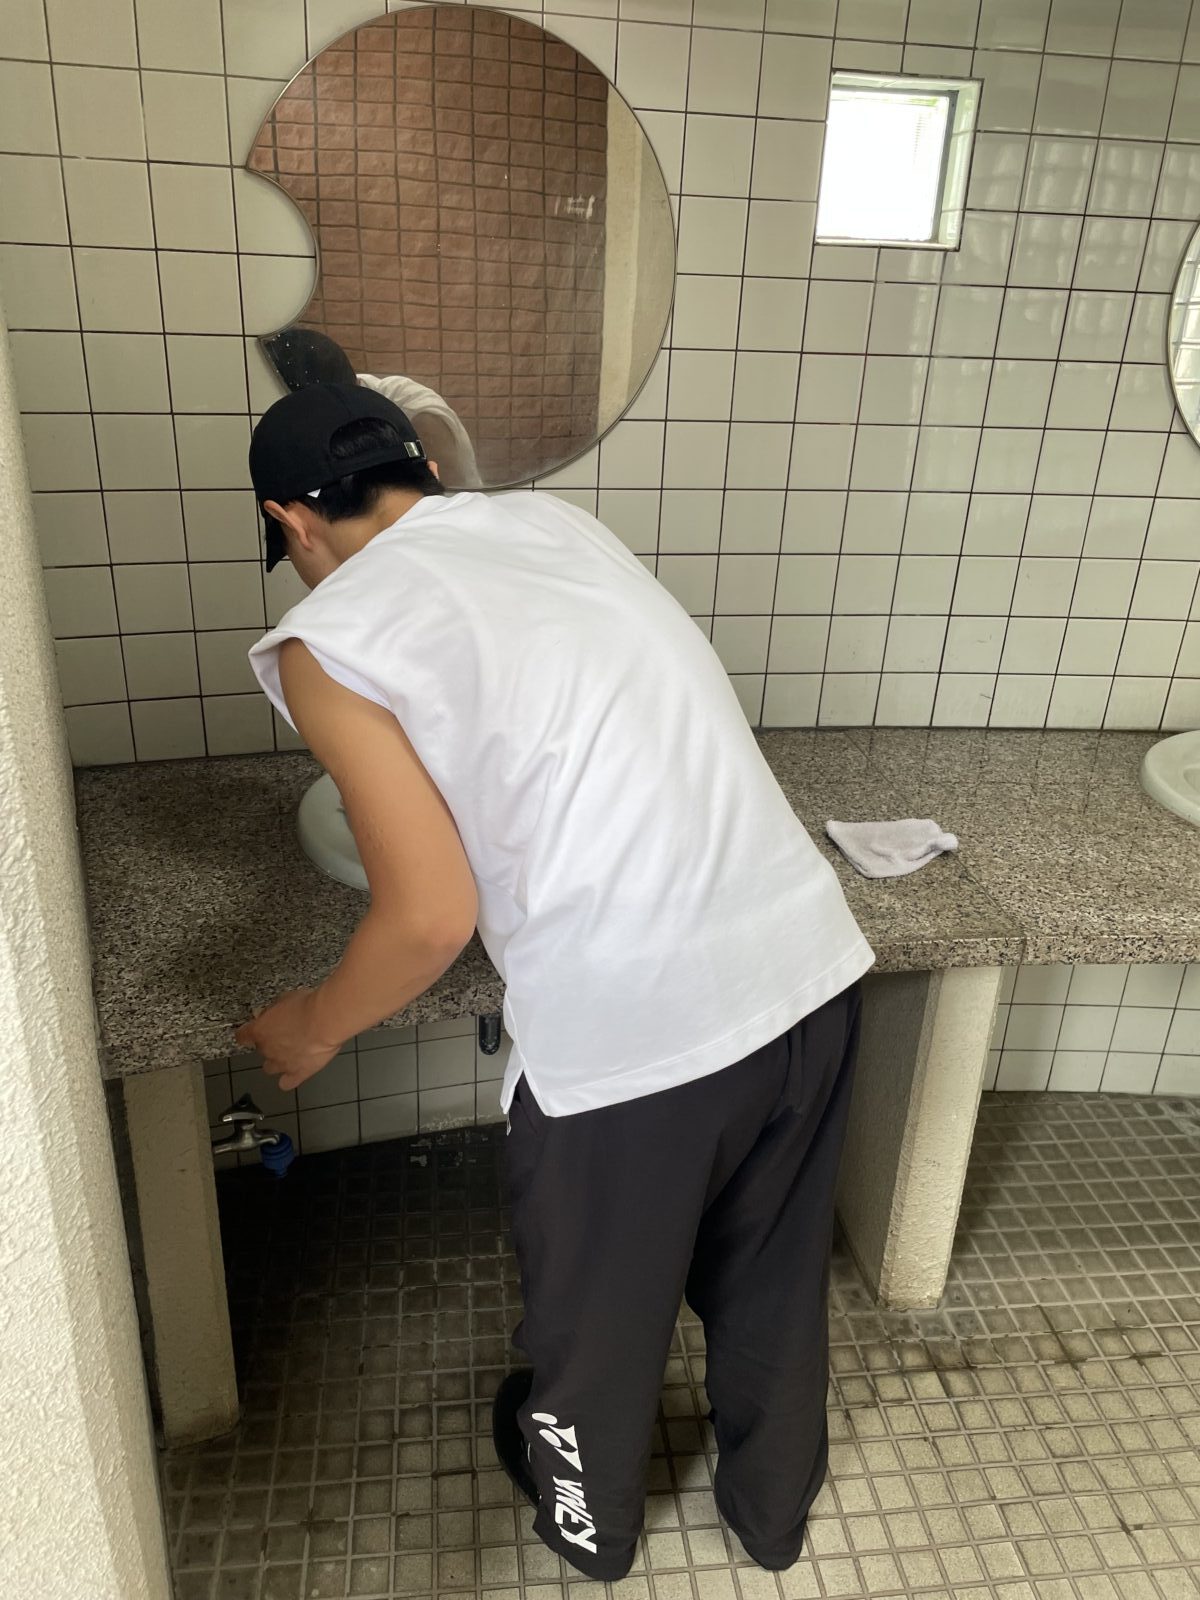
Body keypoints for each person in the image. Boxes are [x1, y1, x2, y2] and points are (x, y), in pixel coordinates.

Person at [238, 381, 876, 1581]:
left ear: (292, 521)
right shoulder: (553, 525)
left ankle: (592, 1536)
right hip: (807, 963)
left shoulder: (329, 638)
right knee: (774, 1281)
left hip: (637, 1037)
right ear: (423, 472)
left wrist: (312, 1029)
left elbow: (429, 915)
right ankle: (773, 1517)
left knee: (597, 1328)